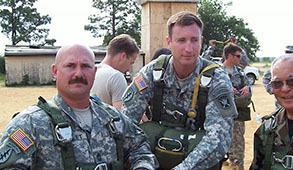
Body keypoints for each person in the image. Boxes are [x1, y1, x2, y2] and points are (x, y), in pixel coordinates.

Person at [0, 44, 158, 169]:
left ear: (94, 72)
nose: (78, 74)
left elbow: (140, 148)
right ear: (55, 72)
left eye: (85, 66)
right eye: (70, 66)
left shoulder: (113, 119)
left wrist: (142, 167)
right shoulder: (30, 124)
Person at [121, 11, 236, 169]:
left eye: (194, 40)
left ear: (201, 41)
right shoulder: (152, 73)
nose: (188, 48)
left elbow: (219, 140)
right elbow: (126, 124)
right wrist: (142, 162)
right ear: (169, 42)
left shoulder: (217, 79)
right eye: (181, 40)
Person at [221, 43, 252, 170]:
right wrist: (226, 90)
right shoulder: (218, 71)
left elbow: (249, 87)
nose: (240, 59)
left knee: (238, 144)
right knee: (220, 142)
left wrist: (247, 88)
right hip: (221, 115)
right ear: (229, 56)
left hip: (237, 114)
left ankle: (238, 166)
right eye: (238, 56)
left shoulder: (239, 72)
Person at [91, 34, 139, 110]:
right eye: (131, 63)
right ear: (123, 56)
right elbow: (122, 118)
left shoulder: (90, 72)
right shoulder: (116, 77)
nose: (129, 69)